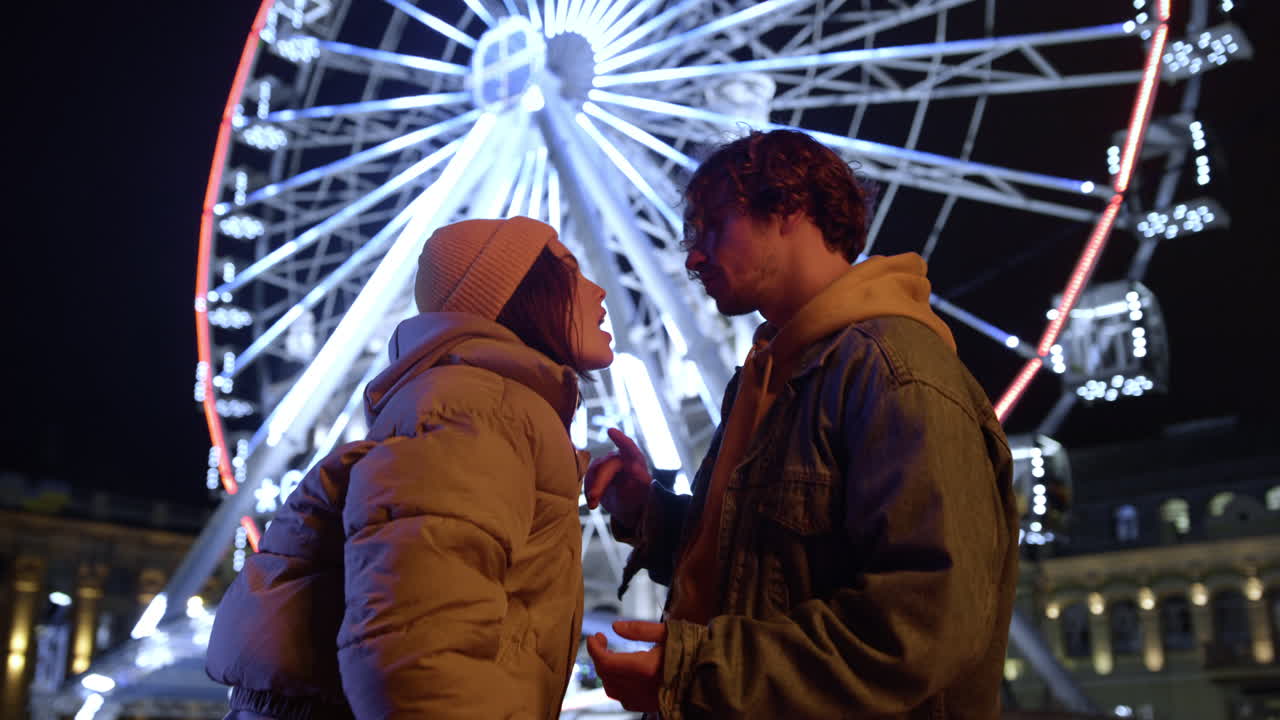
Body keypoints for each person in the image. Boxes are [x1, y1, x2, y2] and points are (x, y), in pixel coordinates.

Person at [584, 130, 1019, 719]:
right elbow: (768, 562)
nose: (691, 257)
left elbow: (923, 622)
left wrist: (698, 672)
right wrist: (650, 513)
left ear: (789, 207)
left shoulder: (895, 373)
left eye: (711, 226)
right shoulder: (771, 374)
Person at [205, 215, 614, 720]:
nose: (598, 290)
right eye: (571, 273)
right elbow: (418, 651)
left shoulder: (479, 404)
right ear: (523, 294)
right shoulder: (479, 409)